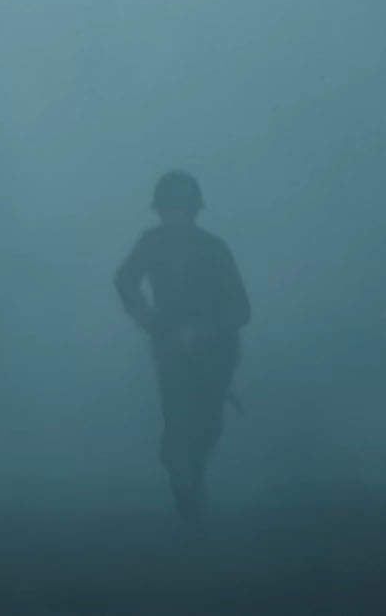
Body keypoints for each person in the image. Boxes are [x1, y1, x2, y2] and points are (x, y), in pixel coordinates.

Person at [113, 171, 250, 522]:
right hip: (171, 351)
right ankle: (186, 497)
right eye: (167, 210)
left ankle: (193, 477)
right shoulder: (151, 243)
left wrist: (202, 332)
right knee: (177, 427)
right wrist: (142, 312)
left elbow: (240, 308)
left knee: (207, 427)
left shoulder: (214, 249)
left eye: (180, 210)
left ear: (194, 211)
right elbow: (126, 279)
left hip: (216, 354)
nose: (173, 218)